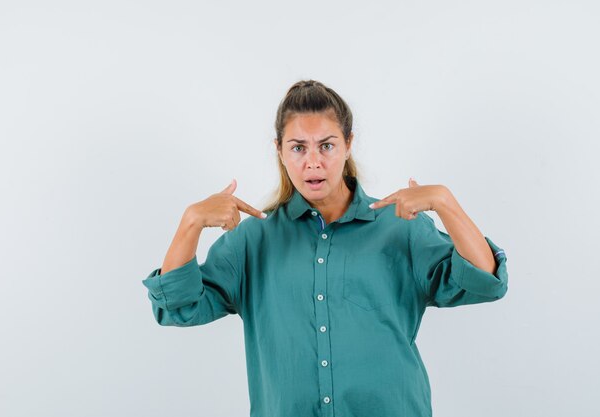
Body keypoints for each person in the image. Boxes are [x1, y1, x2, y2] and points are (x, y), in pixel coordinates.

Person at [141, 80, 508, 417]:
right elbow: (178, 308)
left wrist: (446, 202)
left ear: (348, 144)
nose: (313, 162)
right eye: (298, 147)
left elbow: (485, 282)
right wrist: (190, 223)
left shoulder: (401, 227)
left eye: (327, 145)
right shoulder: (253, 239)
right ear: (279, 152)